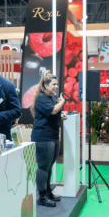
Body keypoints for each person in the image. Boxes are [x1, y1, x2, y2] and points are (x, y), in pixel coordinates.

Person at [31, 72, 65, 208]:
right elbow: (53, 111)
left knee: (49, 166)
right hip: (43, 136)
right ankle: (42, 196)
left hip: (53, 135)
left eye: (57, 84)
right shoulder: (41, 97)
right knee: (43, 167)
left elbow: (53, 113)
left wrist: (61, 116)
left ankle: (48, 192)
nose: (56, 86)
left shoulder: (53, 97)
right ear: (45, 85)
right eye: (53, 84)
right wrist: (62, 102)